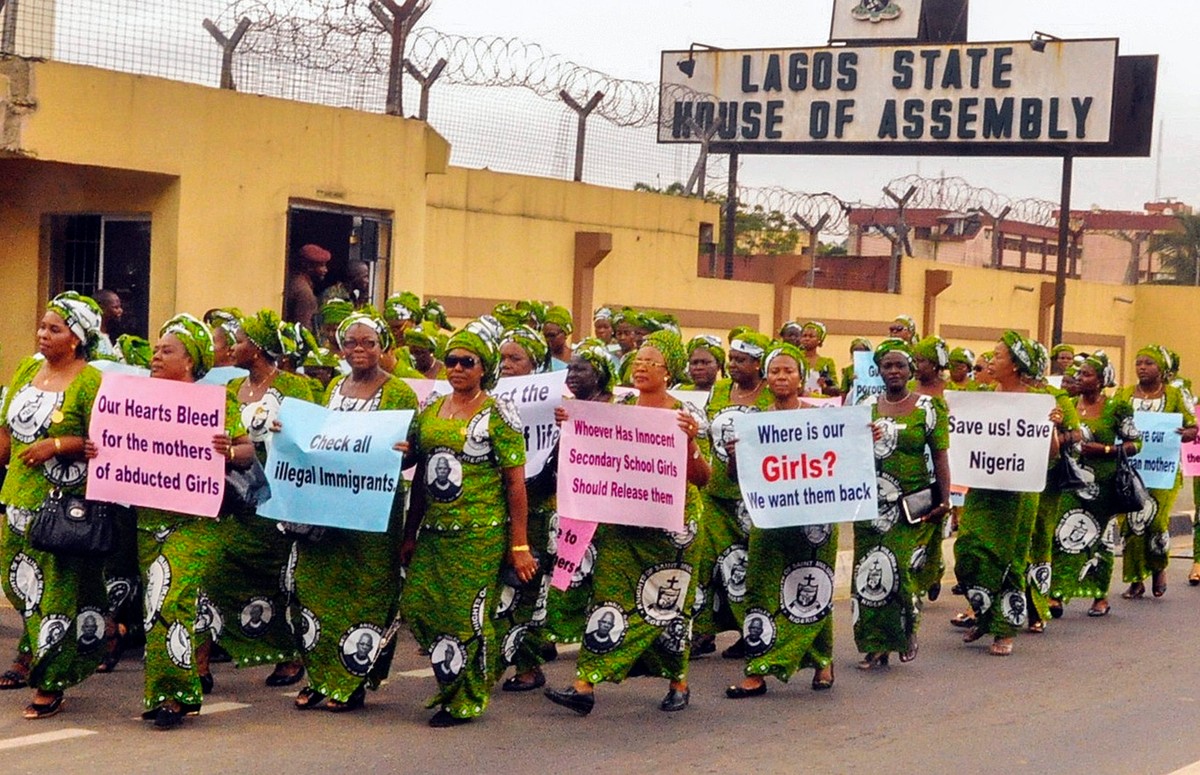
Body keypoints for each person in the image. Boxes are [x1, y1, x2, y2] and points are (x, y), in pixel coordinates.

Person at [545, 330, 709, 716]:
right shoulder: (618, 407)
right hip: (623, 525)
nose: (641, 367)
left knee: (668, 603)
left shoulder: (686, 414)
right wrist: (570, 424)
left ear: (669, 371)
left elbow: (703, 477)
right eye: (637, 361)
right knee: (611, 597)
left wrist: (690, 442)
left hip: (674, 529)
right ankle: (585, 683)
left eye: (652, 362)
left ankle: (678, 681)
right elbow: (594, 453)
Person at [123, 313, 254, 729]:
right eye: (156, 349)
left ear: (190, 361)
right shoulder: (137, 400)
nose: (157, 356)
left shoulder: (216, 402)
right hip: (149, 521)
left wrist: (227, 452)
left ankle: (174, 696)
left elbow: (247, 451)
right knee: (156, 607)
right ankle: (167, 688)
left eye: (167, 351)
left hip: (194, 521)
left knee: (170, 600)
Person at [401, 325, 536, 727]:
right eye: (452, 360)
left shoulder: (497, 413)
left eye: (467, 362)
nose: (457, 368)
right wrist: (410, 532)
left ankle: (464, 698)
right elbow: (419, 470)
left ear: (483, 369)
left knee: (466, 617)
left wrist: (519, 545)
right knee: (419, 605)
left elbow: (515, 483)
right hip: (435, 532)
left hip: (480, 532)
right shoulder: (431, 409)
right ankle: (461, 673)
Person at [290, 310, 417, 714]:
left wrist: (405, 451)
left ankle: (351, 679)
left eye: (368, 343)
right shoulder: (333, 389)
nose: (359, 350)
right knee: (318, 588)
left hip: (374, 512)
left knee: (365, 592)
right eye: (351, 343)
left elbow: (415, 451)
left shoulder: (398, 393)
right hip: (330, 506)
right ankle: (320, 675)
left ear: (383, 347)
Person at [0, 293, 106, 719]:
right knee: (18, 585)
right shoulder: (28, 368)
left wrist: (58, 445)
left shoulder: (91, 381)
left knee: (56, 593)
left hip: (63, 510)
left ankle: (50, 682)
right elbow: (7, 426)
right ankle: (34, 650)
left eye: (54, 329)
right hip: (17, 498)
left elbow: (104, 445)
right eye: (42, 327)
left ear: (77, 339)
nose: (43, 335)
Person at [724, 343, 838, 699]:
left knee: (812, 585)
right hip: (769, 520)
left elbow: (842, 464)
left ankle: (822, 660)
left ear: (801, 378)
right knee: (762, 587)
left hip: (814, 523)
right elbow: (734, 477)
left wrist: (865, 439)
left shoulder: (822, 421)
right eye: (775, 371)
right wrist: (733, 454)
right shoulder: (753, 422)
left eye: (788, 371)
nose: (781, 377)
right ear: (766, 378)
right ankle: (758, 669)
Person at [953, 331, 1061, 657]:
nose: (992, 360)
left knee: (1009, 559)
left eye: (998, 356)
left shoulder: (1036, 402)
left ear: (1015, 364)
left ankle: (1004, 628)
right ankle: (984, 615)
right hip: (983, 488)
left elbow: (1052, 454)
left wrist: (1051, 427)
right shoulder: (983, 395)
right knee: (969, 551)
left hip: (1018, 493)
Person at [224, 310, 315, 687]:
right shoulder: (230, 389)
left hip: (279, 495)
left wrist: (288, 431)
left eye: (240, 341)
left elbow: (313, 439)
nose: (232, 347)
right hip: (237, 495)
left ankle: (289, 653)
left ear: (258, 349)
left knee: (277, 577)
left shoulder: (296, 387)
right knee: (226, 571)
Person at [852, 339, 952, 671]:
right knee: (868, 573)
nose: (894, 371)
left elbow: (940, 456)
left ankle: (905, 631)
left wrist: (945, 498)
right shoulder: (864, 405)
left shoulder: (928, 407)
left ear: (911, 370)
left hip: (911, 505)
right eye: (887, 366)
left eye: (900, 366)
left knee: (898, 572)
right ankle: (875, 645)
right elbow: (848, 451)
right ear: (878, 370)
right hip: (869, 503)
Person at [692, 330, 772, 659]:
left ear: (759, 364)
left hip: (754, 498)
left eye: (742, 360)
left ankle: (748, 632)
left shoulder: (770, 397)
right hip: (716, 493)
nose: (733, 365)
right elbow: (705, 430)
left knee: (746, 569)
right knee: (706, 564)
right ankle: (702, 631)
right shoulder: (721, 390)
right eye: (732, 359)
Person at [1048, 352, 1140, 617]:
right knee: (1065, 534)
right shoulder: (1070, 405)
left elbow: (1136, 443)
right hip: (1073, 481)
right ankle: (1058, 594)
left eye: (1086, 374)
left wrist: (1107, 449)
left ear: (1101, 380)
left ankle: (1100, 597)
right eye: (1079, 374)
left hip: (1105, 485)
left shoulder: (1116, 409)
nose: (1080, 378)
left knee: (1100, 541)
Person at [542, 343, 618, 649]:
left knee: (600, 571)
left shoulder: (619, 406)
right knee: (567, 566)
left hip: (609, 504)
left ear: (598, 375)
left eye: (581, 369)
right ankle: (554, 633)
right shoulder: (566, 409)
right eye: (569, 368)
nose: (571, 375)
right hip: (573, 498)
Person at [1114, 345, 1197, 598]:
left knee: (1157, 521)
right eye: (1139, 362)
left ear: (1161, 368)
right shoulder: (1125, 394)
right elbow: (1113, 421)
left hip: (1163, 472)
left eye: (1149, 363)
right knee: (1131, 522)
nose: (1142, 367)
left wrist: (1186, 434)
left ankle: (1159, 567)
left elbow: (1192, 427)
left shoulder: (1174, 395)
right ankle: (1136, 578)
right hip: (1131, 470)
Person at [285, 244, 332, 329]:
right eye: (321, 265)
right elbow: (303, 329)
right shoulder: (305, 293)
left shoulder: (294, 281)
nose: (326, 270)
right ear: (308, 267)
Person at [798, 321, 840, 397]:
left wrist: (825, 386)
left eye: (811, 336)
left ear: (819, 340)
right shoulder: (796, 359)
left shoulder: (826, 363)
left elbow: (836, 389)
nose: (807, 339)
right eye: (804, 336)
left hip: (819, 403)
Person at [93, 289, 123, 360]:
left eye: (120, 307)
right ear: (101, 308)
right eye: (115, 307)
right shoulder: (93, 338)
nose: (120, 311)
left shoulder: (113, 335)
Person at [543, 306, 574, 371]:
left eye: (552, 335)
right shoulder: (542, 360)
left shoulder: (576, 358)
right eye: (545, 336)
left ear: (565, 333)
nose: (548, 340)